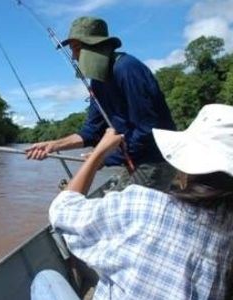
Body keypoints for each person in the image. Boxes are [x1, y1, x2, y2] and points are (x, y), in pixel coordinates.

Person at [31, 103, 233, 299]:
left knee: (45, 279)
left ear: (186, 164)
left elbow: (61, 209)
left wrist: (99, 153)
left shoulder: (141, 204)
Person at [26, 16, 176, 191]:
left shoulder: (127, 69)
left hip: (155, 159)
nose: (73, 57)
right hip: (133, 161)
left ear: (95, 46)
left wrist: (105, 158)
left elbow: (147, 129)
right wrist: (53, 145)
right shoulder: (98, 81)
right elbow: (91, 131)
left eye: (76, 49)